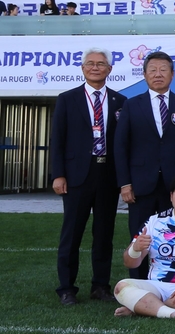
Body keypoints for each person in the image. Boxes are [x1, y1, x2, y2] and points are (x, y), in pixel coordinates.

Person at [50, 49, 128, 305]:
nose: (95, 67)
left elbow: (124, 143)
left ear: (109, 69)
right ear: (83, 68)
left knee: (104, 233)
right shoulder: (67, 99)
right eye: (90, 64)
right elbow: (57, 140)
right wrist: (58, 175)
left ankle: (100, 286)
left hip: (107, 174)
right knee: (72, 232)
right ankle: (66, 288)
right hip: (76, 176)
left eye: (101, 64)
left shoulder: (120, 101)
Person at [113, 51, 175, 275]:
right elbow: (120, 147)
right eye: (152, 70)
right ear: (144, 74)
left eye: (163, 69)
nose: (158, 74)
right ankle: (138, 285)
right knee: (139, 236)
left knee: (172, 235)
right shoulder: (132, 105)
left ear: (173, 74)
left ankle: (167, 280)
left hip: (174, 186)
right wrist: (124, 184)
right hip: (140, 185)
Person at [113, 175, 175, 322]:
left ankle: (141, 309)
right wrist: (135, 249)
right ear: (171, 196)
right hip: (156, 286)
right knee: (121, 286)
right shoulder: (154, 221)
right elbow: (130, 263)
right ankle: (169, 312)